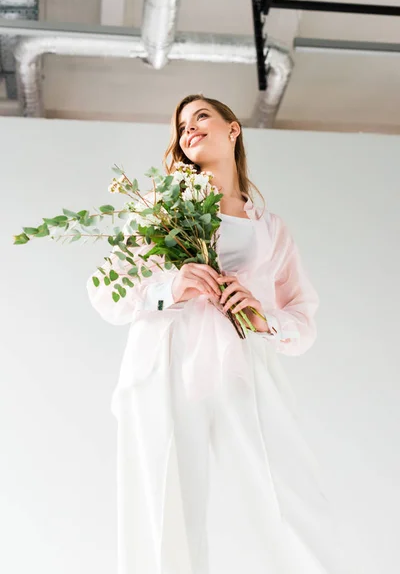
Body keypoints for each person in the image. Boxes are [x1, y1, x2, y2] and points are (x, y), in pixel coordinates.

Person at [86, 94, 345, 574]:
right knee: (163, 512)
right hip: (165, 366)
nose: (188, 130)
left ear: (234, 128)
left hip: (241, 369)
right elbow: (104, 291)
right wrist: (171, 285)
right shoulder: (158, 211)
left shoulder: (271, 230)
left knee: (285, 497)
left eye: (200, 117)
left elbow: (303, 317)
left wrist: (264, 318)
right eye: (181, 126)